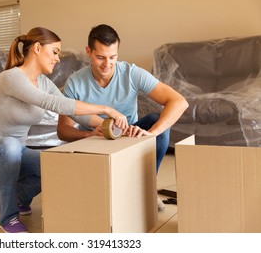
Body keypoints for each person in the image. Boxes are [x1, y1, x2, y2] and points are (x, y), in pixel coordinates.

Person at [0, 27, 128, 233]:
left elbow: (73, 111)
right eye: (55, 52)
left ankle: (19, 199)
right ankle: (8, 217)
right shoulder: (10, 78)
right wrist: (105, 108)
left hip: (16, 154)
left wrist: (107, 124)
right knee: (10, 145)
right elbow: (52, 103)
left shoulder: (43, 83)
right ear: (38, 48)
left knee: (56, 165)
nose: (58, 58)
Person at [57, 24, 188, 211]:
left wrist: (151, 134)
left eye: (113, 57)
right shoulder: (75, 83)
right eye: (100, 57)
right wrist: (90, 135)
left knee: (155, 119)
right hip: (93, 143)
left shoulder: (131, 73)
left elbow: (179, 101)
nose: (107, 64)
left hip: (128, 137)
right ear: (89, 52)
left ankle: (148, 188)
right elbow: (63, 131)